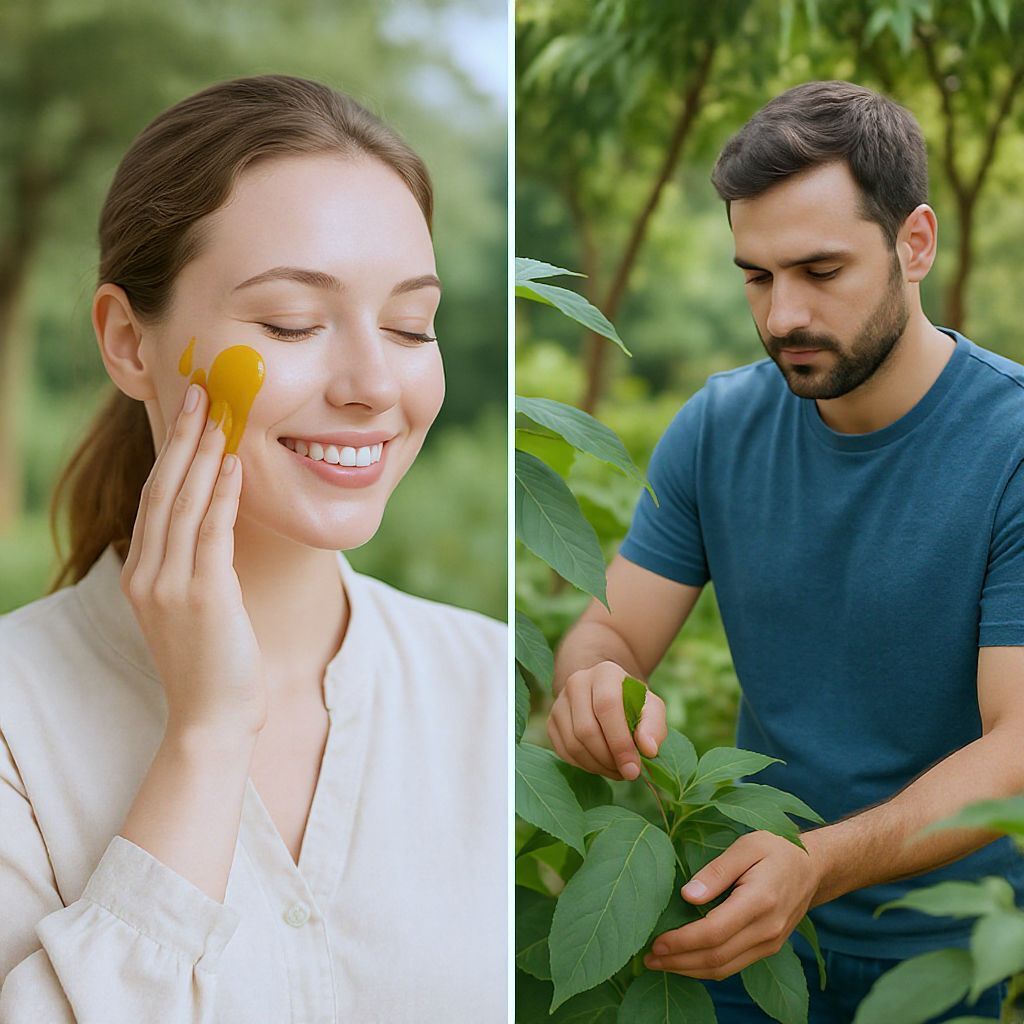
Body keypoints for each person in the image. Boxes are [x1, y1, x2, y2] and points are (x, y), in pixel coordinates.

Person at [0, 75, 505, 1023]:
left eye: (410, 326)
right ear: (126, 340)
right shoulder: (15, 720)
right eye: (291, 324)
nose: (371, 384)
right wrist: (204, 739)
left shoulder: (487, 684)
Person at [547, 80, 1024, 1022]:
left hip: (937, 950)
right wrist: (594, 687)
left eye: (820, 271)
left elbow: (1019, 745)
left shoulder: (1010, 444)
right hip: (737, 925)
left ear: (915, 242)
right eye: (757, 277)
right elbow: (607, 637)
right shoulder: (717, 427)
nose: (781, 318)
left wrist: (817, 864)